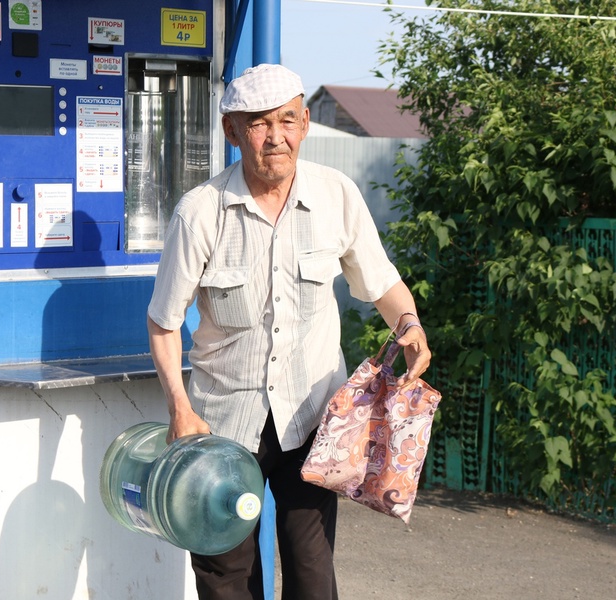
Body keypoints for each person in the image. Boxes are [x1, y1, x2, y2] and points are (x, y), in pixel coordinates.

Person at [147, 63, 432, 600]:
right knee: (225, 574)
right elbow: (163, 323)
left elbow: (383, 283)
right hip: (223, 426)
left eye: (286, 120)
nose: (275, 137)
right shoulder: (200, 213)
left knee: (311, 569)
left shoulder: (336, 195)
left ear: (304, 123)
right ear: (231, 131)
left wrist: (410, 325)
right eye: (258, 124)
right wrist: (180, 410)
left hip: (313, 418)